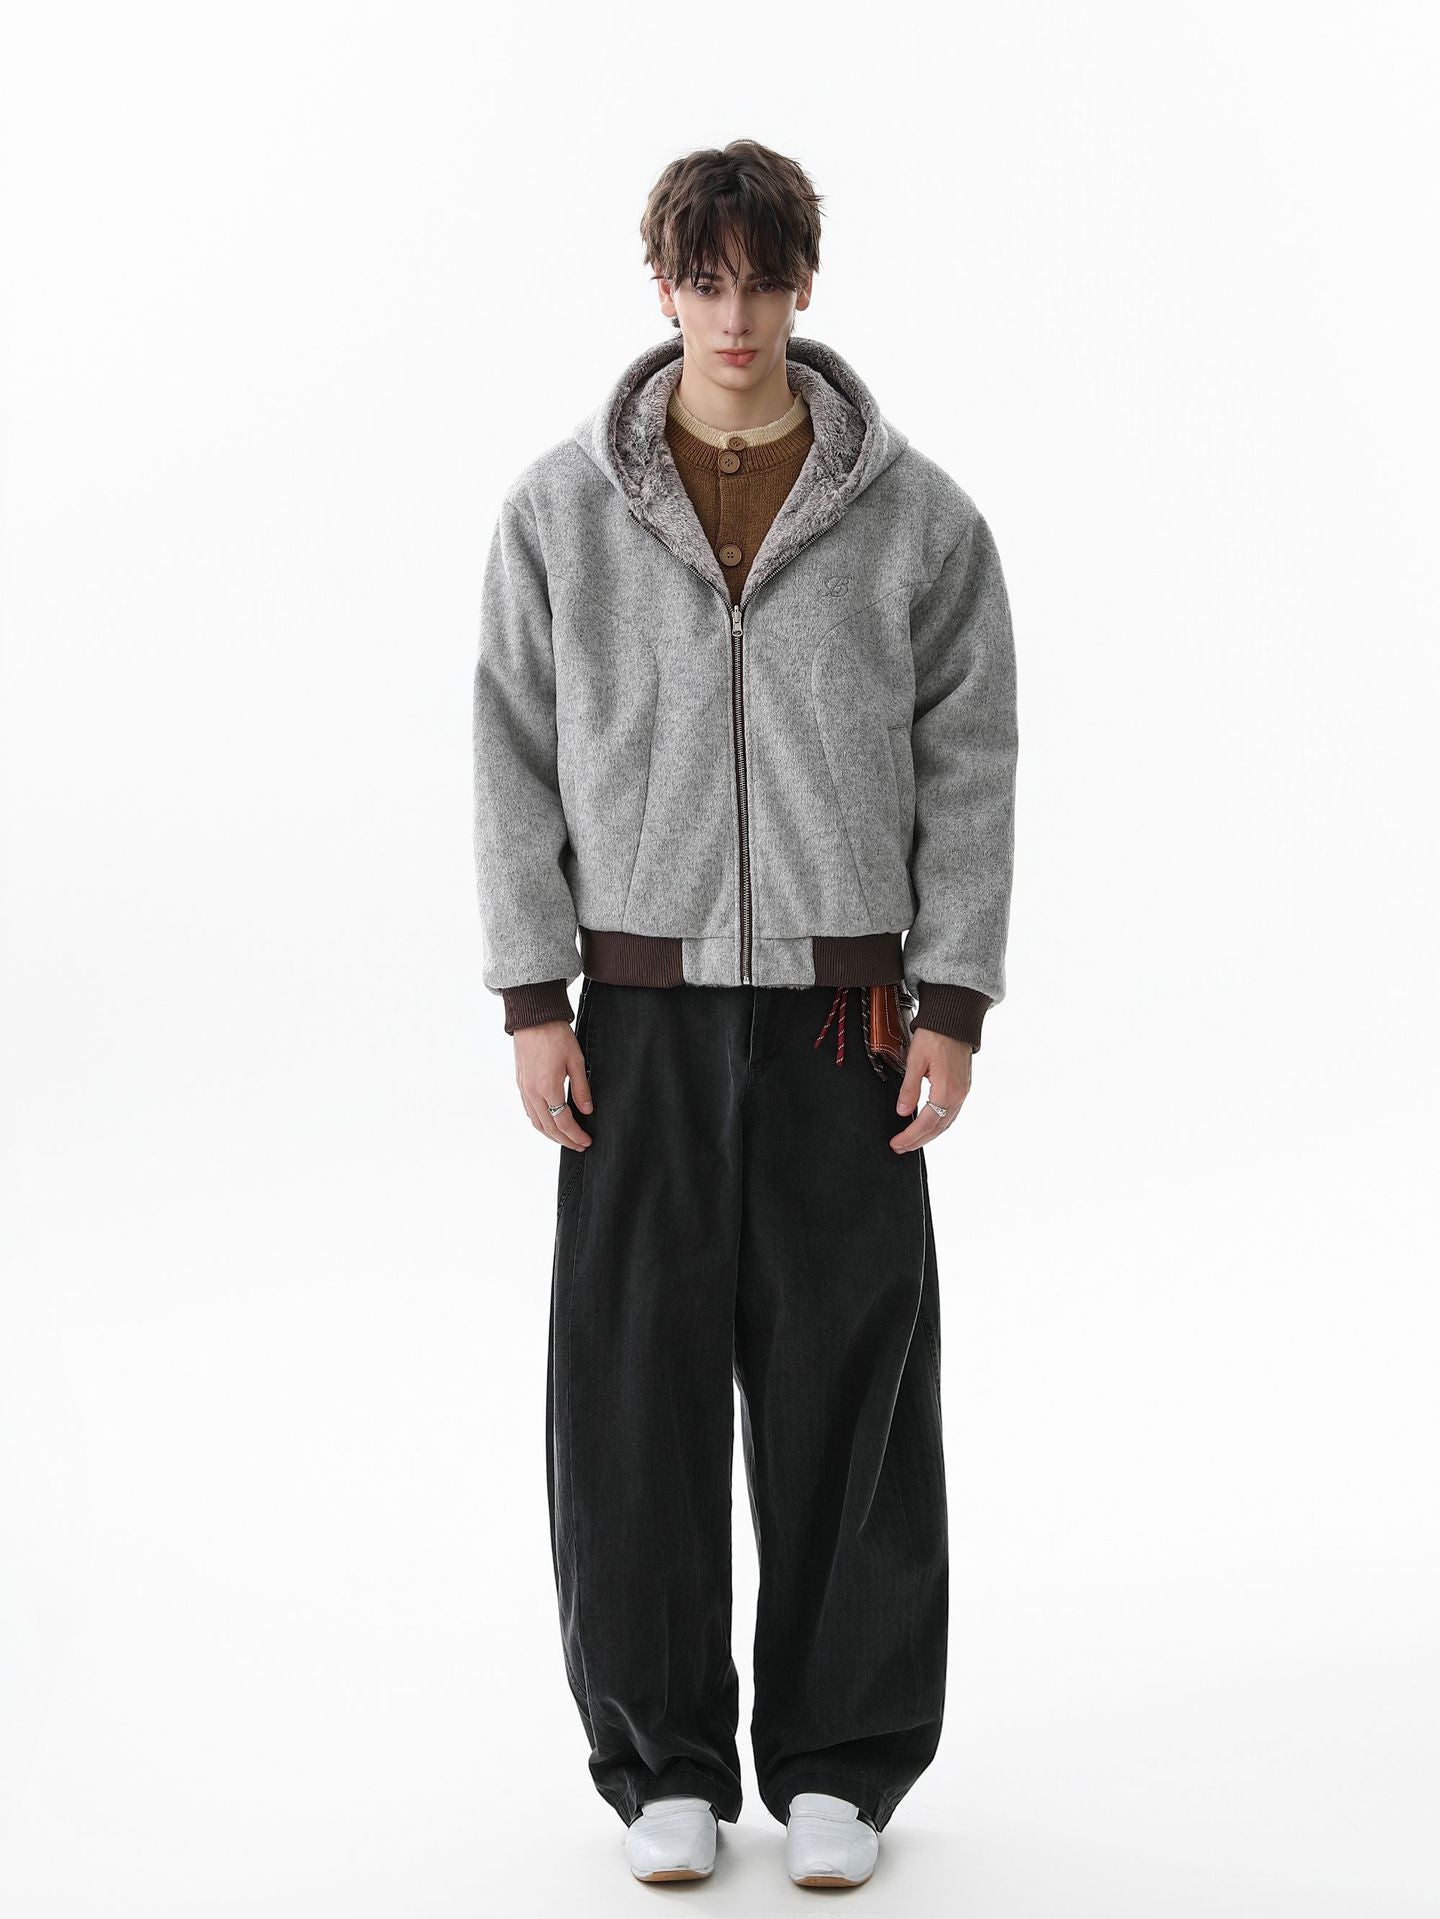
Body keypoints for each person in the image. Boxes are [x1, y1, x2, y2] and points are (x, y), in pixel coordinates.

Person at [472, 137, 1018, 1888]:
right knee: (630, 1390)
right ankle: (664, 1769)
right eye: (704, 281)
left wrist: (953, 996)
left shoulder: (919, 521)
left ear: (802, 284)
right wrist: (531, 995)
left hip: (846, 1021)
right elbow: (511, 756)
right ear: (664, 287)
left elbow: (971, 760)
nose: (735, 314)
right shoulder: (562, 513)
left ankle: (843, 1763)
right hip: (635, 1015)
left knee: (851, 1388)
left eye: (762, 280)